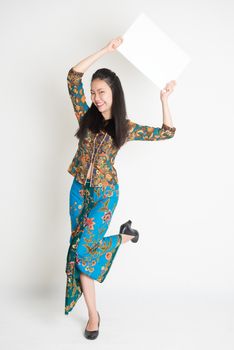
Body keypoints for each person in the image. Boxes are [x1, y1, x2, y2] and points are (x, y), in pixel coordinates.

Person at [65, 36, 176, 339]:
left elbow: (166, 133)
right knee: (78, 252)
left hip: (104, 195)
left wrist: (164, 100)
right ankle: (125, 237)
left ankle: (92, 316)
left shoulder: (124, 127)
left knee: (84, 252)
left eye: (101, 91)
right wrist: (105, 50)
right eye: (93, 92)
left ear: (114, 92)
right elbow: (73, 77)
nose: (96, 97)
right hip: (78, 190)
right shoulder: (85, 116)